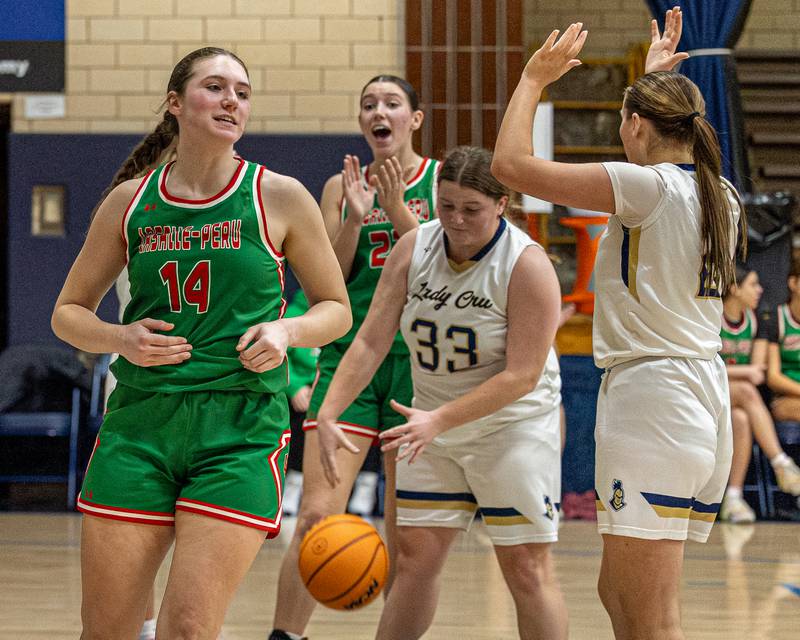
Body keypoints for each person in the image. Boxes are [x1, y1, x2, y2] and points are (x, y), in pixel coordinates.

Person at [51, 47, 351, 639]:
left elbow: (335, 310)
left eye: (242, 92)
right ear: (175, 103)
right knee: (105, 630)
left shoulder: (279, 195)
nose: (231, 100)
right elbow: (67, 313)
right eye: (215, 87)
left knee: (188, 628)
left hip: (239, 427)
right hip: (141, 422)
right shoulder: (130, 201)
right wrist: (119, 337)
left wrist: (286, 330)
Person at [492, 8, 745, 639]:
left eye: (626, 120)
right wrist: (653, 82)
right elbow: (644, 171)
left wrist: (532, 79)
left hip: (655, 400)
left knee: (646, 615)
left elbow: (510, 166)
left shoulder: (646, 188)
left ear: (635, 124)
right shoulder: (721, 192)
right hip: (697, 394)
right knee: (624, 597)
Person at [317, 146, 567, 640]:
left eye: (471, 209)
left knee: (525, 567)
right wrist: (328, 412)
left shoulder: (527, 265)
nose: (455, 219)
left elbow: (522, 376)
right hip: (430, 426)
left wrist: (438, 420)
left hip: (510, 428)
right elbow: (370, 340)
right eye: (446, 205)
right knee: (414, 562)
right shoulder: (415, 247)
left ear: (501, 203)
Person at [269, 75, 439, 640]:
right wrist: (356, 218)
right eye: (369, 105)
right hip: (350, 360)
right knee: (316, 516)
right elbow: (328, 280)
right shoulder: (338, 187)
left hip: (416, 365)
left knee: (404, 529)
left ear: (414, 119)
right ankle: (285, 635)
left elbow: (440, 269)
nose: (378, 112)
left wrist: (397, 210)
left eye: (391, 103)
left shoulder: (440, 180)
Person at [720, 266, 800, 523]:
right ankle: (781, 463)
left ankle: (733, 498)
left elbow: (757, 373)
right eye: (753, 284)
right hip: (709, 390)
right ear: (734, 288)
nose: (760, 290)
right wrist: (743, 371)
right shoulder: (713, 318)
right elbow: (709, 367)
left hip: (737, 397)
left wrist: (741, 372)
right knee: (746, 389)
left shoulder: (754, 319)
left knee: (741, 419)